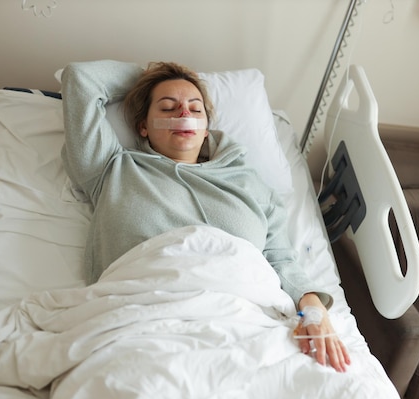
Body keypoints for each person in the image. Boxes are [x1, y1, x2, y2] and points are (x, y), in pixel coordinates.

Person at [60, 60, 350, 372]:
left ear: (206, 127)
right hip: (142, 317)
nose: (184, 114)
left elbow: (281, 260)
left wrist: (314, 311)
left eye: (195, 109)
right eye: (168, 108)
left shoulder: (250, 183)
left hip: (244, 322)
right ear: (143, 126)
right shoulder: (111, 169)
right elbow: (80, 79)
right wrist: (155, 76)